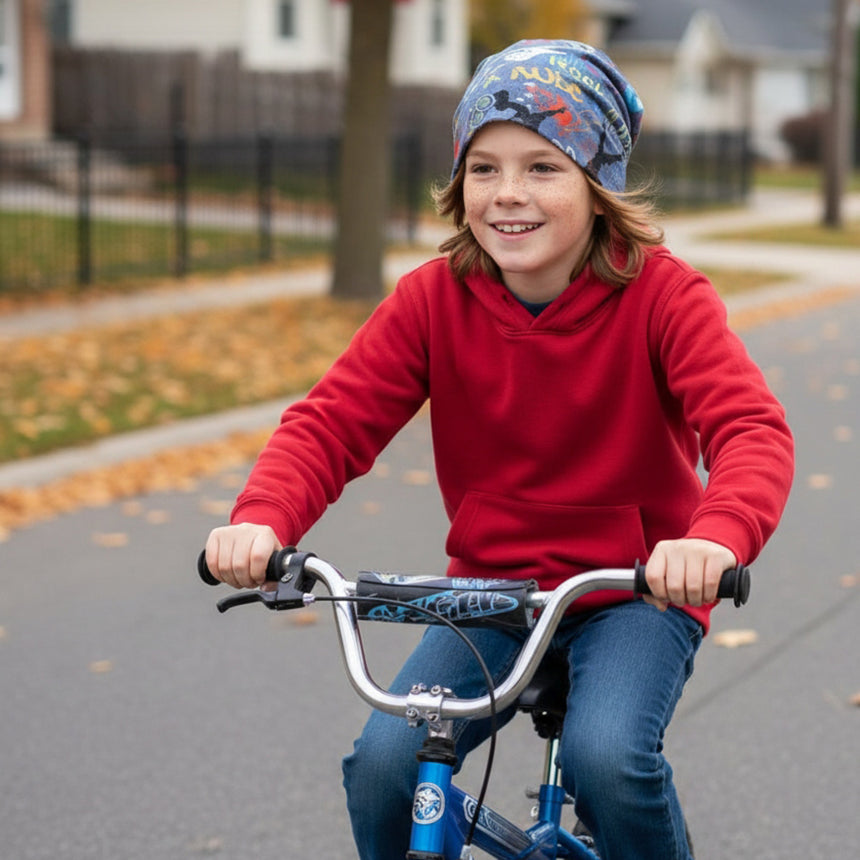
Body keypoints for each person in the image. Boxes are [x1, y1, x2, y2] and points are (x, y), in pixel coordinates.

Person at [204, 40, 794, 860]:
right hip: (491, 593)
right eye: (484, 168)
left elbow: (750, 429)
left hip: (635, 592)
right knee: (385, 767)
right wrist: (263, 518)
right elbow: (330, 423)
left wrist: (714, 539)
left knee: (607, 760)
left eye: (543, 167)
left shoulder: (664, 295)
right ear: (460, 185)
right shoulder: (432, 300)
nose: (508, 193)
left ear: (597, 185)